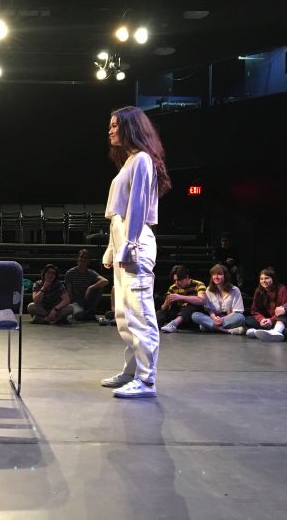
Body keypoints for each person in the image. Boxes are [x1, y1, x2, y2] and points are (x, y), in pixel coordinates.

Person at [100, 106, 171, 398]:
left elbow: (137, 209)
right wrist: (111, 248)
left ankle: (146, 379)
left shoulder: (142, 160)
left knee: (140, 313)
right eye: (110, 125)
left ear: (130, 128)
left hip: (136, 246)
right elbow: (119, 213)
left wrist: (128, 246)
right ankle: (132, 370)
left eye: (116, 125)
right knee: (123, 313)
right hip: (124, 246)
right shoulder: (129, 162)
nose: (111, 130)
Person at [191, 264, 246, 333]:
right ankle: (226, 330)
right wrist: (214, 318)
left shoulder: (235, 290)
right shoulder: (208, 290)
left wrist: (221, 319)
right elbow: (209, 310)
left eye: (219, 274)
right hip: (214, 318)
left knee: (240, 318)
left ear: (225, 276)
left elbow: (236, 311)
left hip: (229, 318)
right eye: (214, 275)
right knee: (195, 315)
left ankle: (210, 326)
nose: (216, 277)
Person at [242, 267, 287, 337]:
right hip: (265, 320)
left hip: (278, 319)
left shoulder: (282, 289)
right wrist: (261, 319)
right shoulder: (258, 291)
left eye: (267, 278)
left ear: (273, 279)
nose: (263, 281)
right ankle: (265, 331)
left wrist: (271, 320)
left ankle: (267, 331)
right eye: (261, 279)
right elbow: (254, 310)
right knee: (246, 319)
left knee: (284, 318)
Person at [158, 265, 207, 332]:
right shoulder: (173, 287)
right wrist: (166, 304)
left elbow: (202, 300)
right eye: (175, 280)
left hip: (192, 318)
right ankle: (154, 327)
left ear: (187, 277)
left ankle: (173, 324)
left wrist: (181, 297)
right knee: (160, 312)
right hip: (179, 316)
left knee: (192, 305)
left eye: (179, 280)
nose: (177, 283)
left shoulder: (199, 284)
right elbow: (164, 308)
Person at [64, 249, 109, 321]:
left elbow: (105, 281)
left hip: (87, 300)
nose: (82, 259)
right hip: (76, 302)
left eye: (85, 258)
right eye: (81, 257)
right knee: (79, 315)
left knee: (100, 286)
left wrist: (90, 288)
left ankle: (90, 311)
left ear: (88, 261)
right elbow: (69, 293)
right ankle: (86, 313)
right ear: (77, 258)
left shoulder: (91, 273)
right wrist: (69, 307)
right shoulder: (70, 273)